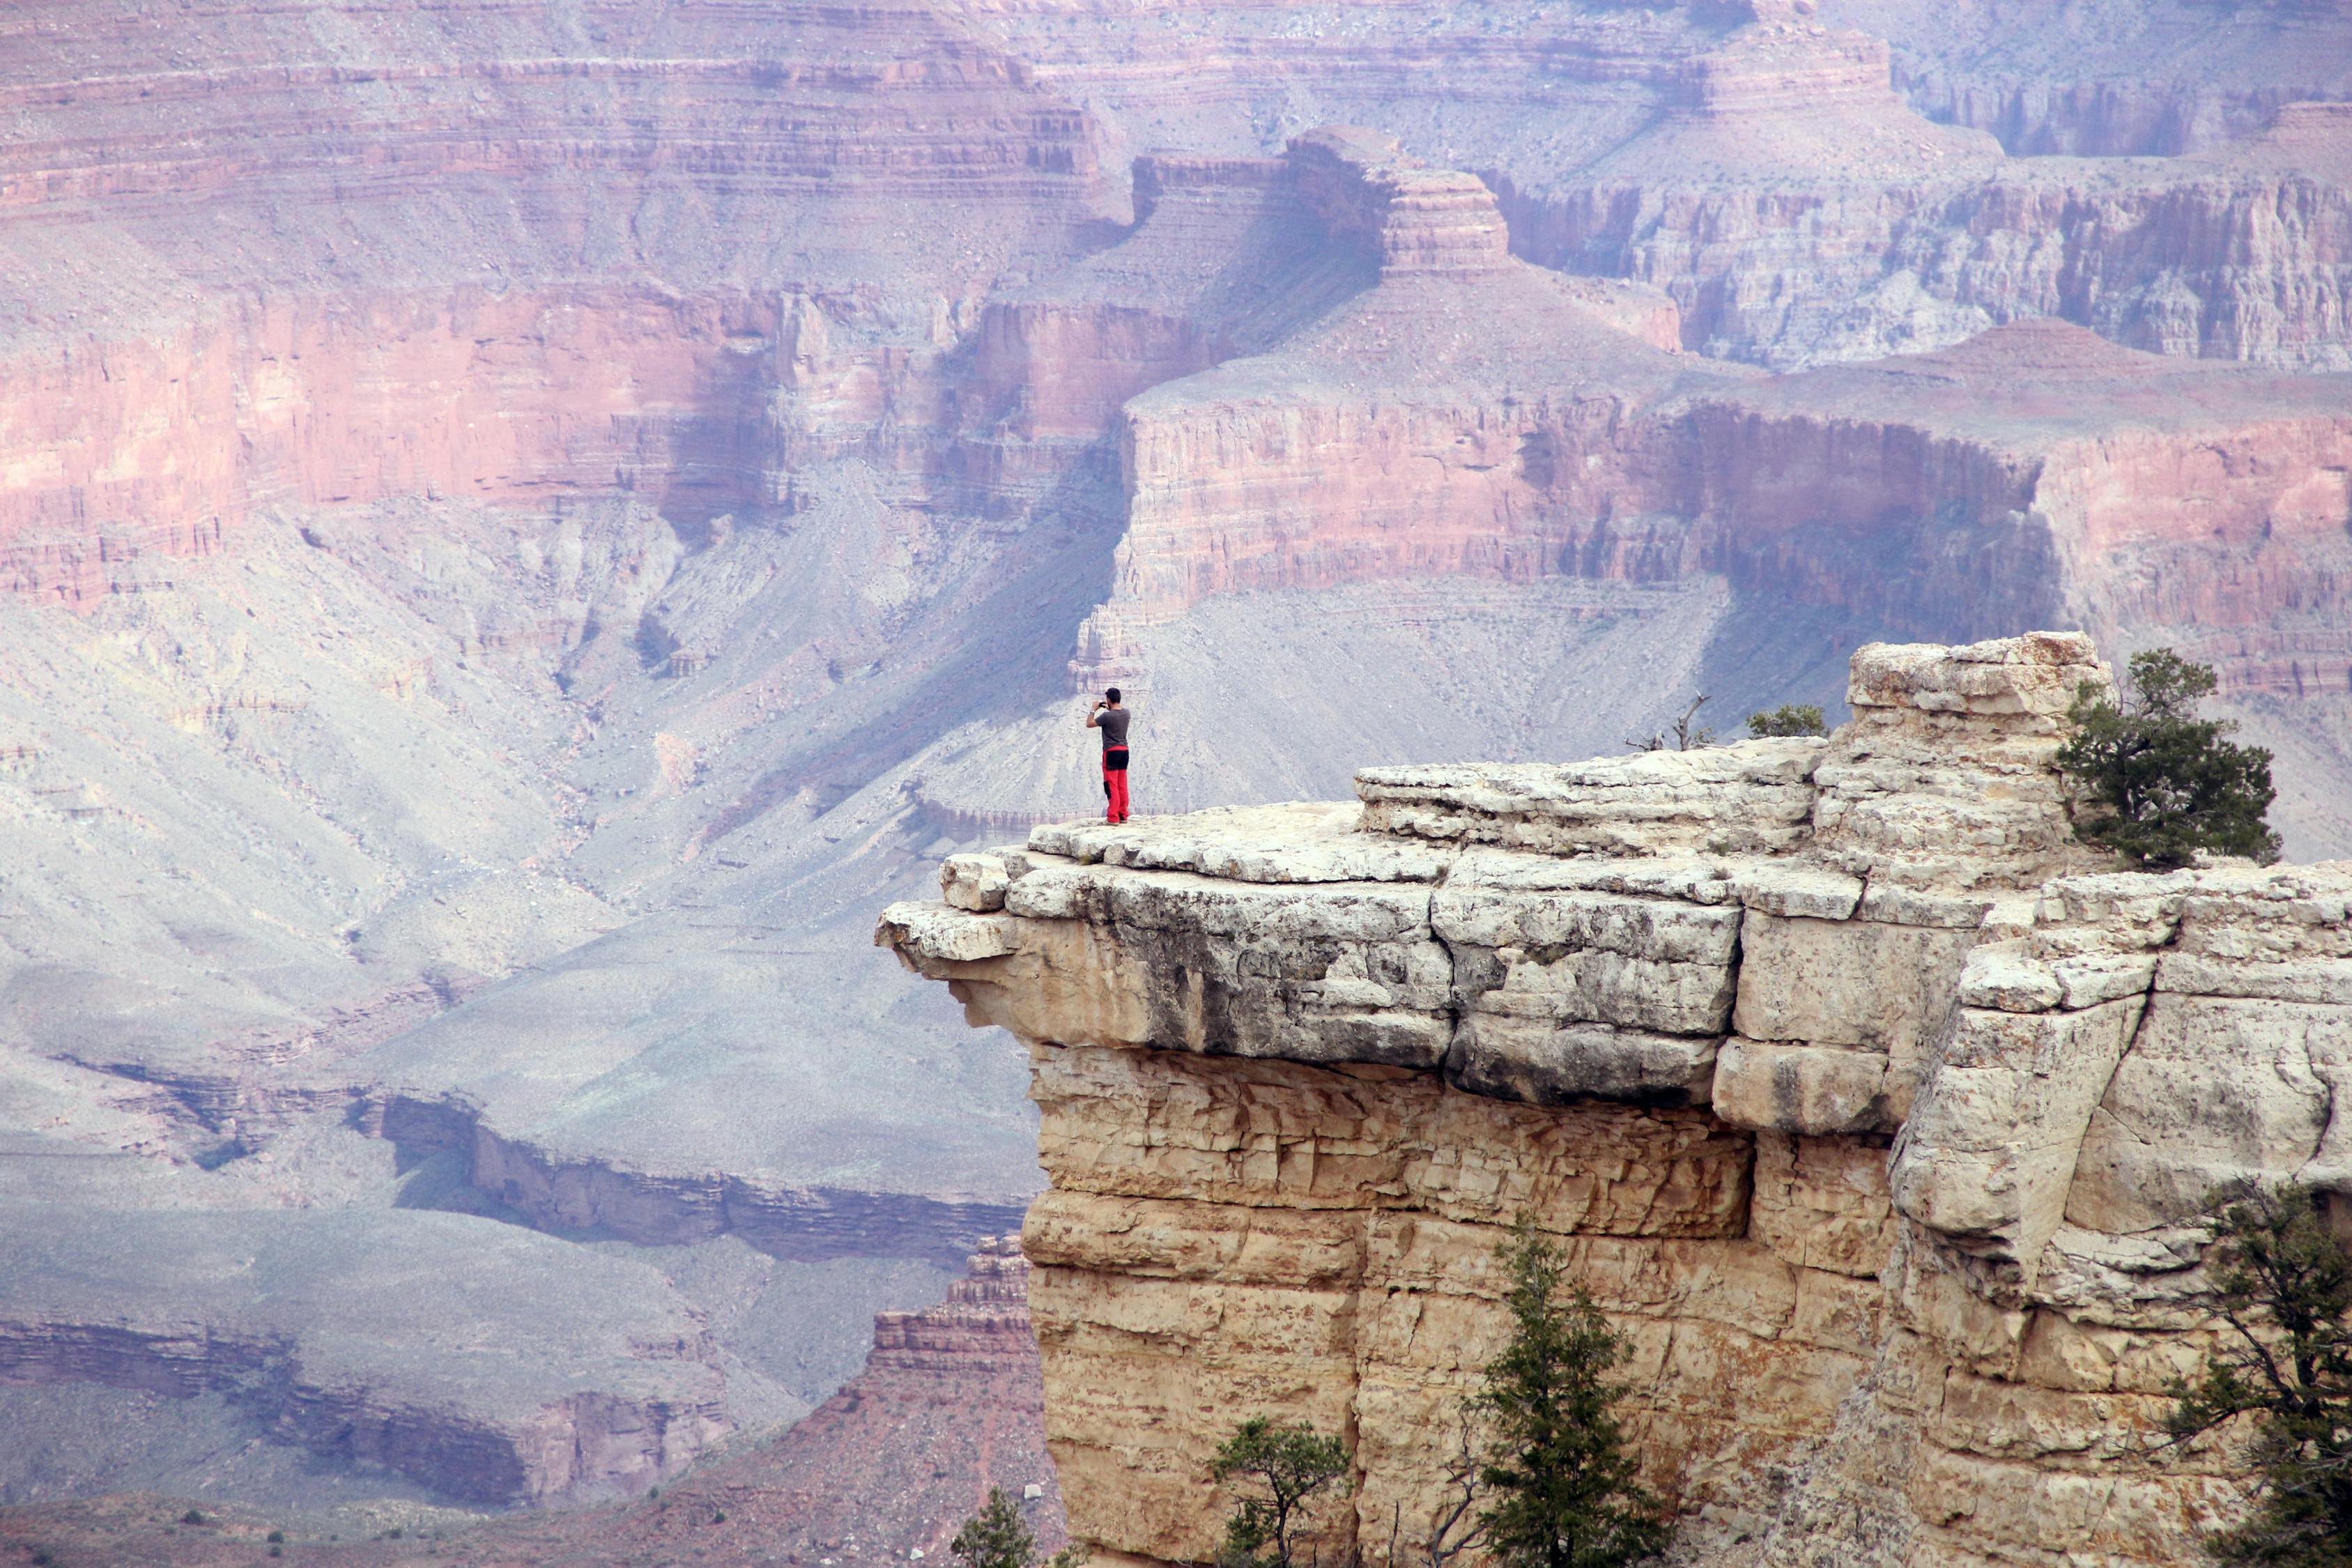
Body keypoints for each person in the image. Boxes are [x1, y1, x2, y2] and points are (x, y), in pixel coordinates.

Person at [1086, 688, 1131, 824]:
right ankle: (1123, 815)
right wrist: (1110, 708)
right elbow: (1116, 715)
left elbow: (1089, 724)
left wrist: (1093, 710)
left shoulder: (1107, 716)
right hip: (1124, 751)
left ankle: (1113, 817)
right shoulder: (1127, 713)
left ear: (1108, 700)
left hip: (1111, 752)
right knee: (1122, 783)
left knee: (1111, 785)